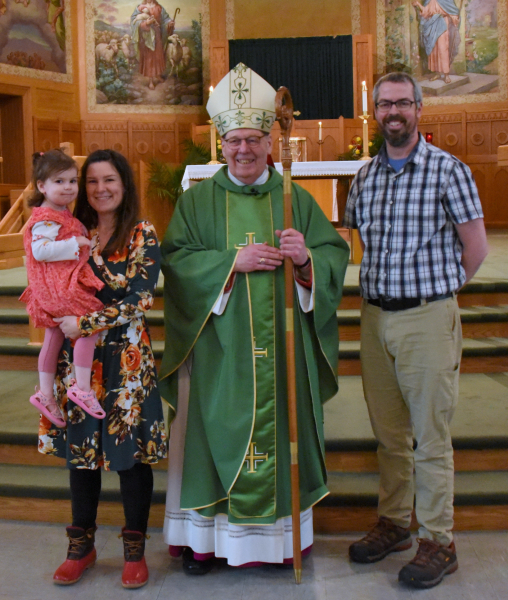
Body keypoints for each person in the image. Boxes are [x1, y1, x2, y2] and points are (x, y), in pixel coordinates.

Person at [160, 63, 350, 573]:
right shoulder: (197, 201)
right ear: (219, 144)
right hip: (220, 354)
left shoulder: (295, 197)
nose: (243, 150)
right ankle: (207, 543)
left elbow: (335, 254)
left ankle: (276, 543)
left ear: (270, 142)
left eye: (253, 140)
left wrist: (307, 259)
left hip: (281, 354)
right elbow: (174, 263)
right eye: (233, 140)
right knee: (213, 436)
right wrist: (229, 264)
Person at [342, 72, 488, 589]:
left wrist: (438, 295)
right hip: (375, 316)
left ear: (419, 109)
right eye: (385, 104)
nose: (394, 112)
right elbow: (354, 239)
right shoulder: (365, 177)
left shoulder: (450, 171)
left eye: (403, 102)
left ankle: (438, 540)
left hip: (427, 314)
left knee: (430, 435)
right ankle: (395, 522)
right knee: (389, 433)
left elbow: (476, 249)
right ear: (376, 112)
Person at [39, 149, 168, 589]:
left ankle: (134, 550)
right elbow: (46, 275)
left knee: (129, 457)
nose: (100, 189)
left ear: (124, 183)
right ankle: (81, 546)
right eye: (90, 181)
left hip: (127, 361)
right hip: (78, 365)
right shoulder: (72, 230)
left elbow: (141, 299)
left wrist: (86, 322)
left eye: (108, 180)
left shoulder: (141, 233)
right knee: (82, 455)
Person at [20, 150, 107, 429]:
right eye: (59, 182)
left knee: (53, 336)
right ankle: (82, 388)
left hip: (50, 290)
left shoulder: (58, 213)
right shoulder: (46, 218)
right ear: (41, 186)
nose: (68, 187)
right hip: (61, 288)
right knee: (89, 324)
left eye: (72, 181)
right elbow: (40, 251)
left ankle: (46, 394)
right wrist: (77, 244)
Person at [413, 0, 460, 83]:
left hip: (442, 25)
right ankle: (437, 73)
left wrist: (454, 18)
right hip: (432, 26)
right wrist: (418, 4)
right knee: (433, 51)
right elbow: (425, 12)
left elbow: (453, 11)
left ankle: (446, 75)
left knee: (443, 50)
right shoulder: (430, 0)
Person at [130, 0, 174, 89]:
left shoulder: (159, 7)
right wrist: (146, 23)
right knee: (149, 57)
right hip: (146, 37)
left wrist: (169, 23)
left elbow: (165, 19)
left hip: (157, 36)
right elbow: (134, 22)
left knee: (157, 56)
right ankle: (150, 81)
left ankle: (157, 75)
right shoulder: (140, 7)